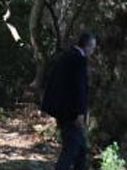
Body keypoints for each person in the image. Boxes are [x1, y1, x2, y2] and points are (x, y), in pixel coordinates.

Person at [40, 31, 96, 170]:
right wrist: (80, 113)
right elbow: (79, 89)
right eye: (93, 48)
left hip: (61, 109)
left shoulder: (66, 56)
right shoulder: (78, 60)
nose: (93, 51)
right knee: (71, 149)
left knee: (81, 148)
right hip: (70, 113)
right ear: (87, 46)